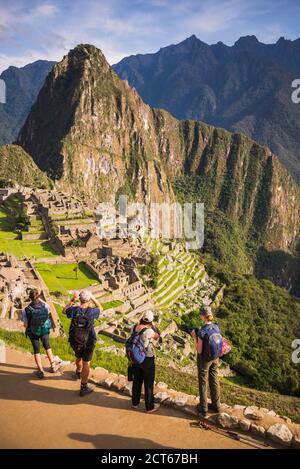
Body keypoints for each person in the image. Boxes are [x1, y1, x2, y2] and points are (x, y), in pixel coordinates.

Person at [63, 290, 101, 397]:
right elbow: (100, 308)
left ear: (80, 299)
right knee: (86, 363)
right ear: (88, 300)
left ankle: (78, 372)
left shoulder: (74, 310)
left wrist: (72, 300)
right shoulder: (92, 312)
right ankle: (83, 387)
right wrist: (92, 297)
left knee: (78, 357)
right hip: (89, 340)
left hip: (76, 339)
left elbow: (63, 310)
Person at [191, 306, 221, 418]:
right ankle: (216, 405)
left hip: (204, 359)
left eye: (200, 314)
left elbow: (199, 350)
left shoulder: (202, 331)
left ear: (203, 316)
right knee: (214, 379)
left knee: (203, 381)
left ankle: (203, 408)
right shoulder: (217, 327)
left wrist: (195, 337)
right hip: (215, 357)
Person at [22, 289, 58, 379]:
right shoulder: (44, 305)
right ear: (38, 296)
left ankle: (41, 370)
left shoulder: (26, 309)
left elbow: (25, 324)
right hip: (44, 329)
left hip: (33, 332)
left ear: (30, 297)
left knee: (36, 350)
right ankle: (53, 366)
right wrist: (40, 299)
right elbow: (48, 308)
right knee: (47, 346)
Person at [131, 310, 161, 413]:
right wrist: (153, 325)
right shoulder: (149, 331)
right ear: (150, 321)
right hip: (146, 358)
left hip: (136, 358)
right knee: (148, 382)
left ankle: (135, 403)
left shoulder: (134, 327)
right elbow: (158, 337)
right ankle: (149, 406)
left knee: (137, 381)